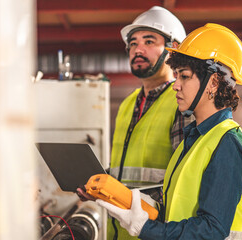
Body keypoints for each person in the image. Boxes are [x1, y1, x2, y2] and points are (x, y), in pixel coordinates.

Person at [96, 23, 242, 240]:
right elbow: (177, 209)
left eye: (184, 76)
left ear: (213, 82)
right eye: (176, 76)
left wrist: (145, 228)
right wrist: (130, 202)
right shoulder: (195, 140)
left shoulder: (228, 143)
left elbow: (211, 230)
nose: (176, 85)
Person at [77, 6, 194, 240]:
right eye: (133, 43)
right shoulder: (128, 104)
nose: (137, 49)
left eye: (149, 42)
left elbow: (185, 181)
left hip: (154, 231)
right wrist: (99, 185)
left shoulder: (182, 103)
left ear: (174, 50)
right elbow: (128, 172)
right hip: (117, 232)